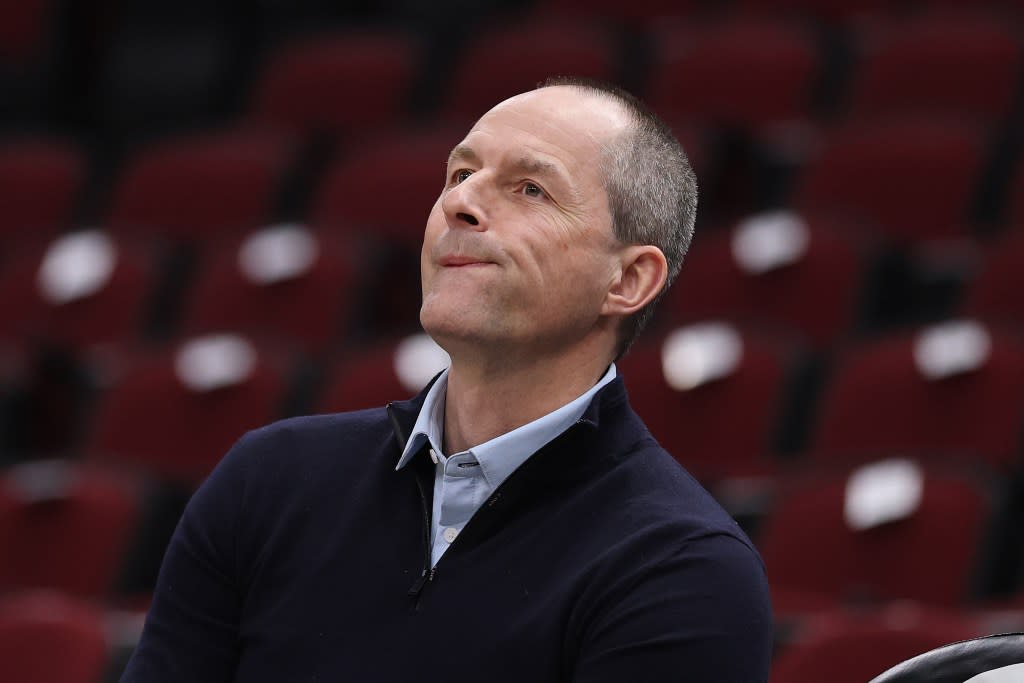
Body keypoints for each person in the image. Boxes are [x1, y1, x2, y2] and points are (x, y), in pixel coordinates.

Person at [121, 77, 773, 682]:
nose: (459, 201)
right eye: (460, 174)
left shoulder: (683, 566)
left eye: (529, 189)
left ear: (628, 279)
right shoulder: (264, 480)